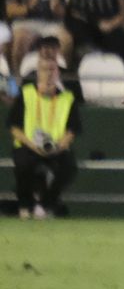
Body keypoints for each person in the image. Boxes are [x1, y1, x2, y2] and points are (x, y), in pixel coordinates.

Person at [9, 38, 82, 219]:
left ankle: (45, 204)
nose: (49, 74)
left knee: (69, 167)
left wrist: (58, 147)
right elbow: (14, 127)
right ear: (37, 72)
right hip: (28, 145)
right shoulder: (26, 94)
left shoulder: (67, 98)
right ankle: (25, 206)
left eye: (52, 70)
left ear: (57, 73)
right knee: (23, 164)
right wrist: (33, 146)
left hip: (56, 146)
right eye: (44, 70)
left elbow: (71, 131)